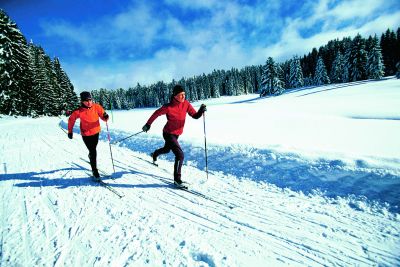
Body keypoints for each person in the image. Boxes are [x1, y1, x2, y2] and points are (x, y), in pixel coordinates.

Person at [142, 84, 206, 188]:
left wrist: (201, 111)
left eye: (184, 94)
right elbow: (156, 113)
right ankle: (177, 179)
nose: (183, 96)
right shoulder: (168, 107)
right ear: (175, 95)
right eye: (181, 95)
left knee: (167, 149)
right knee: (180, 155)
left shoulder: (186, 104)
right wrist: (148, 124)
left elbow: (194, 115)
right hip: (168, 133)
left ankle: (154, 154)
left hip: (177, 134)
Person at [67, 91, 109, 179]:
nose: (89, 102)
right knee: (93, 151)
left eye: (90, 100)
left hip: (96, 132)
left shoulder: (97, 107)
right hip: (86, 134)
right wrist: (70, 131)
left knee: (93, 149)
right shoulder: (78, 111)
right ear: (82, 101)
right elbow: (71, 120)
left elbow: (103, 116)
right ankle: (95, 170)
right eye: (86, 101)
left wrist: (106, 117)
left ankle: (91, 156)